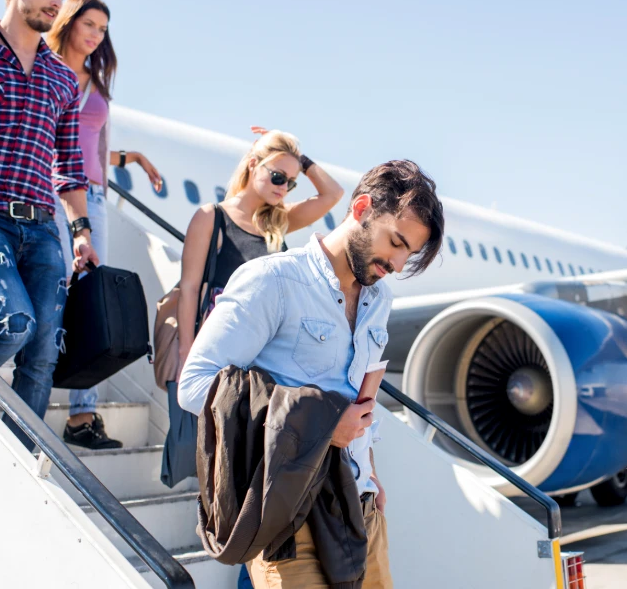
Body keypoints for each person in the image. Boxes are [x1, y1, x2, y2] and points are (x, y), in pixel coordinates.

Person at [179, 160, 445, 589]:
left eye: (408, 254)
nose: (396, 263)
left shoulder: (379, 301)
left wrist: (371, 472)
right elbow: (195, 386)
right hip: (289, 513)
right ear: (361, 209)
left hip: (361, 509)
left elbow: (359, 396)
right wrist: (319, 423)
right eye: (395, 242)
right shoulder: (273, 280)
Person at [160, 128, 344, 489]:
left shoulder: (277, 222)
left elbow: (333, 194)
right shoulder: (210, 217)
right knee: (216, 450)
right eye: (277, 176)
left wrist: (299, 160)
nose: (283, 187)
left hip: (265, 356)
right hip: (221, 350)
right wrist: (187, 352)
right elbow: (191, 288)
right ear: (251, 165)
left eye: (290, 183)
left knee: (252, 455)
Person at [0, 0, 98, 450]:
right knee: (15, 324)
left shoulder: (61, 78)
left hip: (41, 229)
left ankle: (22, 453)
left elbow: (70, 167)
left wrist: (80, 232)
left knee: (40, 358)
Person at [45, 0, 163, 450]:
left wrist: (130, 158)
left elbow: (89, 147)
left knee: (91, 296)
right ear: (69, 23)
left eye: (102, 29)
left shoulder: (96, 83)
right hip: (50, 191)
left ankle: (83, 415)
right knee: (53, 289)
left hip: (91, 195)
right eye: (88, 24)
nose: (95, 35)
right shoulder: (45, 69)